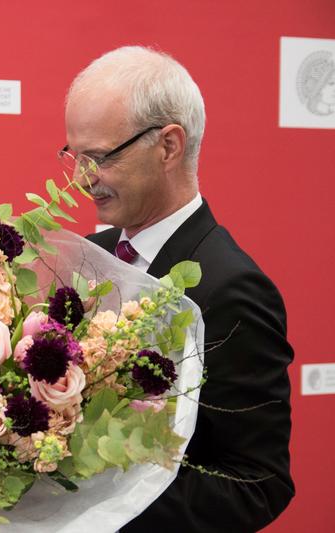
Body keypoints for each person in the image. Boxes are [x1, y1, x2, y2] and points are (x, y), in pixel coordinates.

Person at [60, 46, 294, 531]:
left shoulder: (232, 289)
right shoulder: (88, 253)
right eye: (74, 156)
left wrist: (95, 485)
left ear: (168, 146)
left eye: (100, 157)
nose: (83, 179)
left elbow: (255, 483)